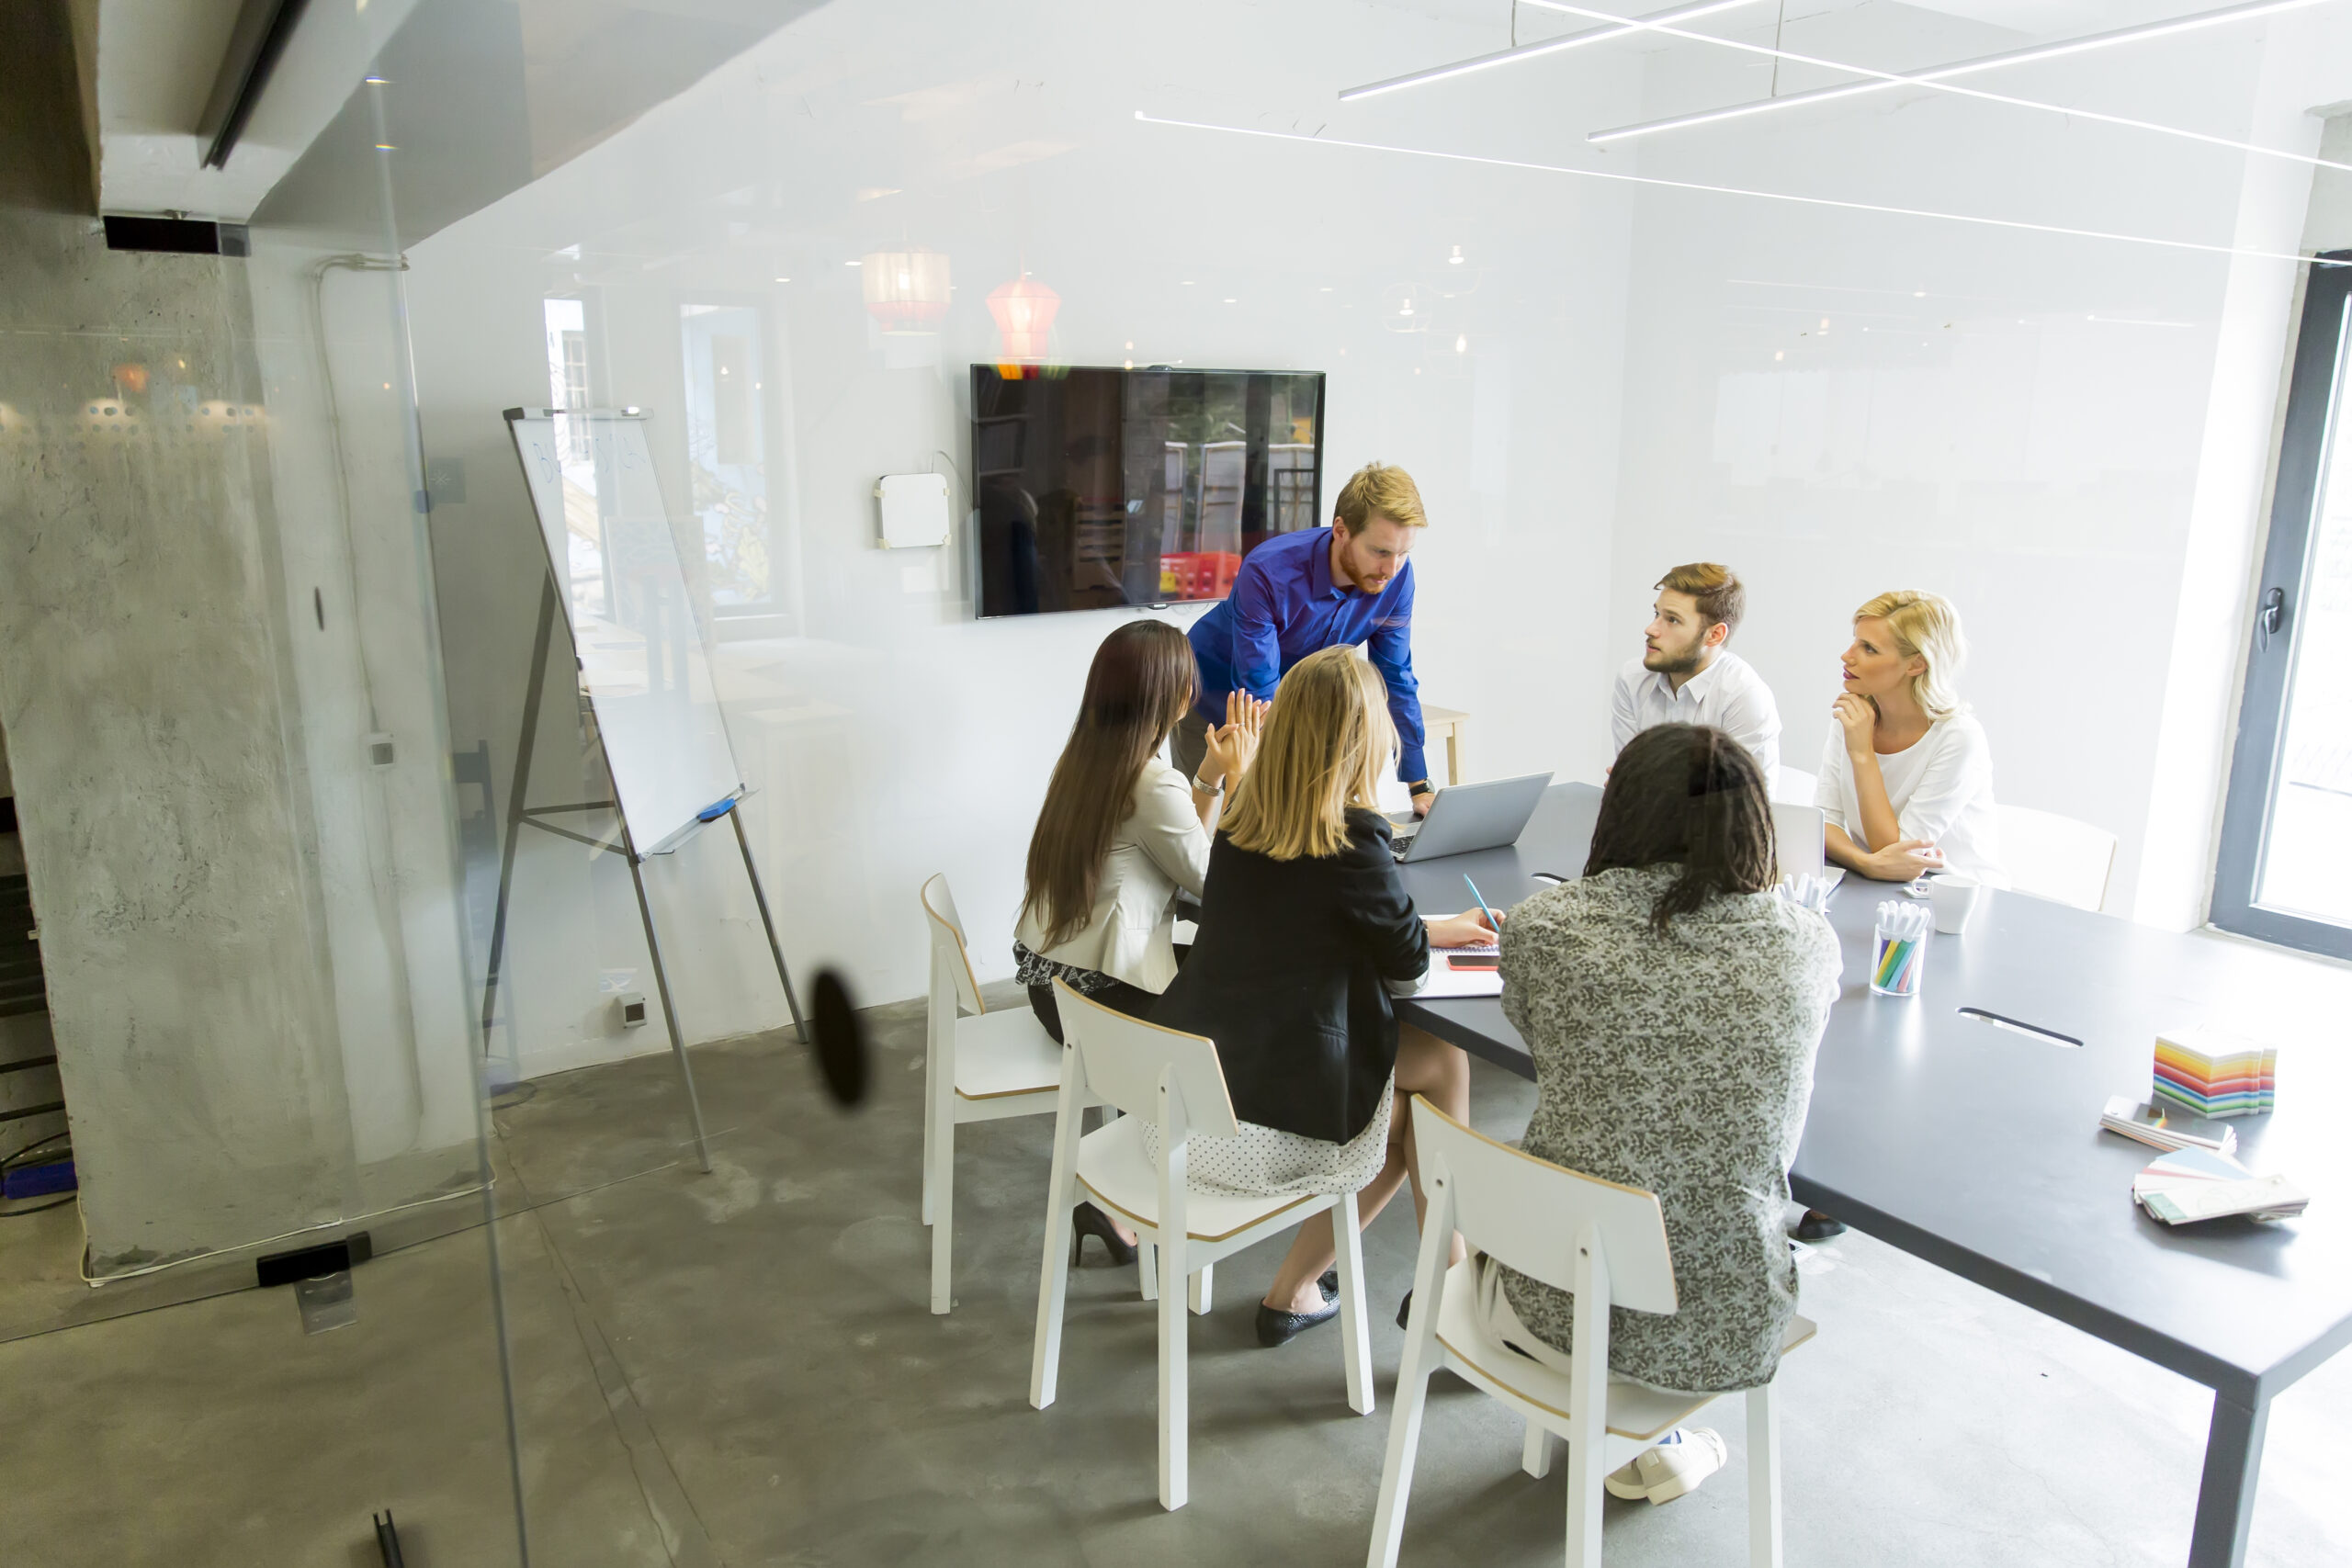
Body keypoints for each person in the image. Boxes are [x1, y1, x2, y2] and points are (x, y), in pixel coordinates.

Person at [1486, 722, 1840, 1506]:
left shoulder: (1544, 929)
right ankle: (1660, 1437)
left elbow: (1542, 1039)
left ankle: (1648, 1440)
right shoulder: (1805, 947)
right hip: (1721, 1307)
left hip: (1553, 1284)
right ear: (1754, 825)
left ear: (1619, 812)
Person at [1148, 646, 1495, 1347]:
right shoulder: (1355, 838)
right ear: (1366, 739)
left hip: (1190, 1101)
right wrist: (1421, 930)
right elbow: (1408, 972)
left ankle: (1305, 1290)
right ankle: (1450, 1290)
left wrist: (1427, 923)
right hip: (1251, 1135)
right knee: (1440, 1072)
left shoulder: (1245, 819)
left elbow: (1309, 919)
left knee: (1407, 1113)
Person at [1014, 620, 1265, 1263]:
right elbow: (1222, 889)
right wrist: (1247, 778)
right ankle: (1164, 1180)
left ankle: (1115, 1196)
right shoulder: (1152, 783)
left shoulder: (1086, 760)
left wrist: (1208, 774)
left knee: (1213, 975)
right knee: (1242, 1005)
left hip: (1056, 987)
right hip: (1102, 1000)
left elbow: (1184, 862)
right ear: (1175, 699)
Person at [1174, 462, 1439, 817]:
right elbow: (1258, 688)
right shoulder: (1268, 571)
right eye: (1380, 551)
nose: (1391, 570)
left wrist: (1418, 785)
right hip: (1213, 700)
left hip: (1295, 712)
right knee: (1208, 834)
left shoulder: (1396, 579)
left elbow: (1395, 677)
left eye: (1403, 553)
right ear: (1341, 530)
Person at [1814, 590, 2006, 886]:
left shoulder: (1958, 738)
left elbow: (1898, 853)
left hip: (1951, 896)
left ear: (1916, 664)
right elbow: (1822, 824)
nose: (1847, 656)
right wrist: (1866, 864)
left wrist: (1862, 753)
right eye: (1855, 640)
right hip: (1876, 883)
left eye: (1869, 648)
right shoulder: (1854, 717)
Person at [1610, 562, 1781, 780]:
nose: (1651, 629)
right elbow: (1628, 783)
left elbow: (1744, 807)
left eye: (1672, 620)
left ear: (1715, 635)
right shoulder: (1632, 678)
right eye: (1656, 614)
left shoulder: (1745, 696)